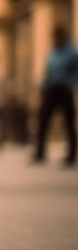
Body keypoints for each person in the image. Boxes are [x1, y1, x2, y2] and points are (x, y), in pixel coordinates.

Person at [33, 26, 78, 167]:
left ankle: (71, 156)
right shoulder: (51, 52)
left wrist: (71, 84)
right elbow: (48, 71)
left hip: (65, 89)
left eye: (58, 37)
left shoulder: (71, 53)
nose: (55, 40)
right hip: (51, 89)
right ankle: (39, 153)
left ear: (63, 37)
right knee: (42, 120)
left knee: (69, 122)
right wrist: (42, 84)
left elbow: (76, 72)